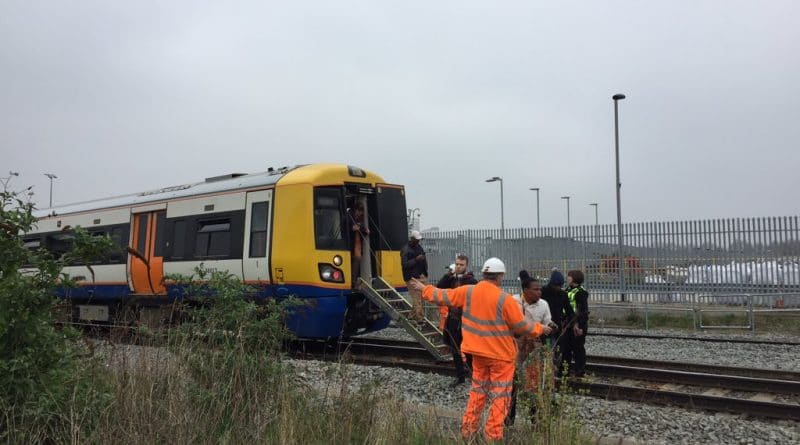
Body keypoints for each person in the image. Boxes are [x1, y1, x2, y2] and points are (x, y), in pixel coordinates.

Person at [408, 258, 552, 442]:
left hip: (476, 353)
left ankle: (468, 431)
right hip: (501, 357)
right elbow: (522, 327)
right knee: (500, 396)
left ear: (484, 274)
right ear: (500, 276)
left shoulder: (468, 291)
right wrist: (541, 329)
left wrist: (424, 288)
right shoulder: (504, 299)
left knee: (478, 392)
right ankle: (493, 436)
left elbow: (443, 296)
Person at [506, 270, 551, 426]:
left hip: (534, 346)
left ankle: (535, 420)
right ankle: (508, 419)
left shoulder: (544, 304)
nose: (539, 292)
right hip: (515, 346)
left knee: (533, 383)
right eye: (535, 289)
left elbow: (547, 323)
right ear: (525, 290)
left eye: (540, 289)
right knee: (512, 382)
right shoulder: (513, 301)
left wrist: (551, 327)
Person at [435, 254, 478, 387]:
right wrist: (448, 274)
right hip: (453, 319)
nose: (459, 267)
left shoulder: (471, 281)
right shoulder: (452, 280)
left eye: (462, 265)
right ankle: (460, 377)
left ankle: (474, 377)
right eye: (457, 264)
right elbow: (439, 287)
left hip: (466, 321)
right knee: (455, 349)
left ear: (466, 266)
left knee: (469, 350)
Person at [540, 269, 574, 374]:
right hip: (544, 326)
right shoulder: (542, 292)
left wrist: (569, 323)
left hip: (557, 327)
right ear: (552, 283)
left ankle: (551, 368)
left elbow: (569, 311)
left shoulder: (563, 295)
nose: (558, 288)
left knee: (557, 350)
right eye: (556, 285)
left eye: (560, 285)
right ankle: (547, 370)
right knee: (548, 349)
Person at [563, 270, 589, 377]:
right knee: (566, 349)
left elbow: (583, 311)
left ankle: (580, 371)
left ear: (574, 278)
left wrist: (580, 325)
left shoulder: (580, 292)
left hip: (577, 325)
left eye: (569, 276)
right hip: (567, 323)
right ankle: (565, 371)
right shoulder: (567, 290)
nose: (567, 278)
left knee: (578, 349)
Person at [401, 230, 428, 322]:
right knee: (417, 298)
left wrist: (424, 271)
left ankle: (411, 316)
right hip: (411, 277)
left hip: (420, 275)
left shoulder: (418, 246)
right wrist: (416, 259)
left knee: (422, 297)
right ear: (412, 239)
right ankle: (420, 319)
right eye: (417, 240)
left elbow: (422, 257)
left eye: (419, 240)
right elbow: (405, 264)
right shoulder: (405, 249)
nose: (418, 241)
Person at [348, 202, 369, 287]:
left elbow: (363, 229)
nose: (360, 214)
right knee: (355, 260)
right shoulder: (349, 217)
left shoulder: (360, 219)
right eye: (359, 211)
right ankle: (353, 281)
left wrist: (365, 230)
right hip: (351, 245)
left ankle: (355, 280)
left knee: (357, 260)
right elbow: (346, 227)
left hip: (358, 245)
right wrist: (352, 229)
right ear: (356, 210)